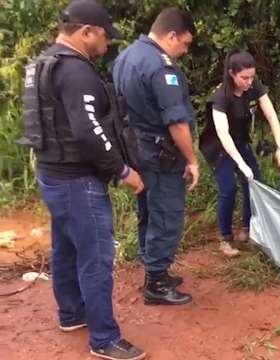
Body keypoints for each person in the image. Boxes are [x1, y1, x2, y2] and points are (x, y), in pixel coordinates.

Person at [20, 1, 145, 359]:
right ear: (86, 31)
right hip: (77, 181)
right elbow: (88, 132)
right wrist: (122, 171)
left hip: (51, 174)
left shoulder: (43, 62)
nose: (107, 43)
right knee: (96, 257)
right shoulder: (76, 71)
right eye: (105, 36)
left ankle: (72, 314)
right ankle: (104, 339)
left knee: (66, 247)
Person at [113, 7, 197, 305]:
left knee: (148, 211)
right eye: (184, 43)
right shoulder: (161, 67)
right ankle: (157, 284)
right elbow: (176, 120)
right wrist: (192, 159)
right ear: (171, 35)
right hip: (161, 154)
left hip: (136, 149)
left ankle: (153, 271)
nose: (185, 51)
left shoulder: (126, 57)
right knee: (166, 214)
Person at [199, 51, 280, 257]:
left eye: (251, 76)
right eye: (244, 78)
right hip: (219, 146)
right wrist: (241, 164)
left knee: (254, 183)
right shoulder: (220, 97)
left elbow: (271, 114)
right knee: (228, 189)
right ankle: (225, 238)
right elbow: (222, 134)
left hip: (240, 141)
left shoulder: (254, 85)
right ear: (232, 74)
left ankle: (248, 229)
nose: (249, 82)